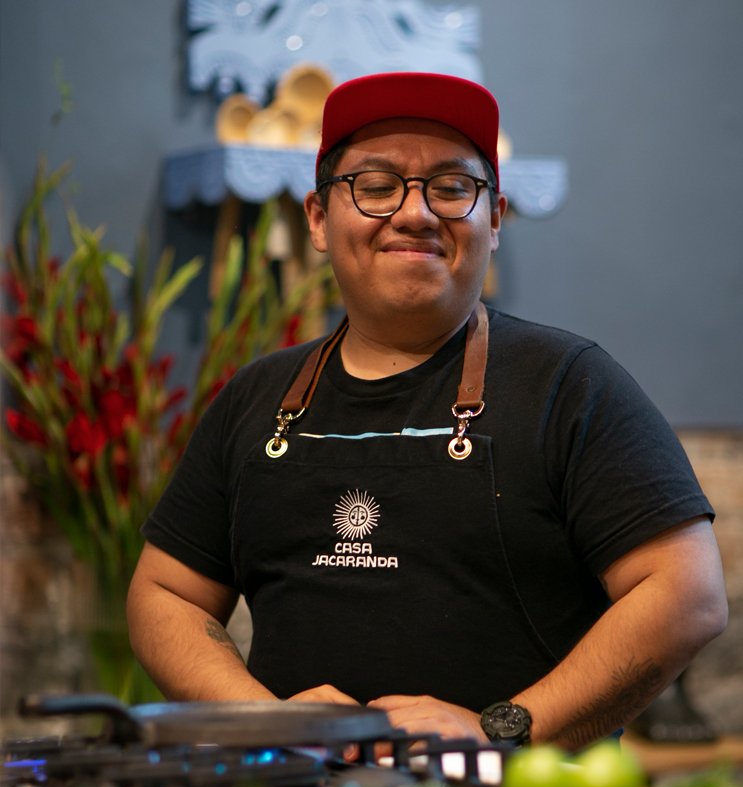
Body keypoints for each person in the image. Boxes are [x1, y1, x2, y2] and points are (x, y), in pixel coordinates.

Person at [127, 71, 728, 751]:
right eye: (376, 185)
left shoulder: (570, 384)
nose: (414, 212)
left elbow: (687, 594)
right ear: (319, 219)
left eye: (450, 186)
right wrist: (258, 719)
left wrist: (502, 728)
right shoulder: (255, 397)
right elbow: (163, 594)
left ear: (493, 218)